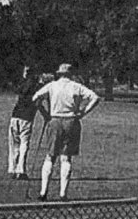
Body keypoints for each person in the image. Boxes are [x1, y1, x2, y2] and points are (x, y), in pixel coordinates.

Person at [32, 63, 100, 201]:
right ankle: (63, 193)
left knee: (50, 156)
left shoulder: (52, 85)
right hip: (71, 121)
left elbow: (35, 98)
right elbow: (95, 98)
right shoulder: (76, 86)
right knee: (66, 157)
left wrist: (44, 113)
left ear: (59, 74)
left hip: (55, 120)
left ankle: (43, 192)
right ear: (71, 74)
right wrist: (83, 113)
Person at [7, 65, 44, 180]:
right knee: (24, 144)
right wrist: (46, 116)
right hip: (26, 118)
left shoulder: (22, 85)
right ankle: (21, 170)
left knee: (14, 144)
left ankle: (12, 169)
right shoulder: (36, 87)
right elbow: (38, 103)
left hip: (15, 116)